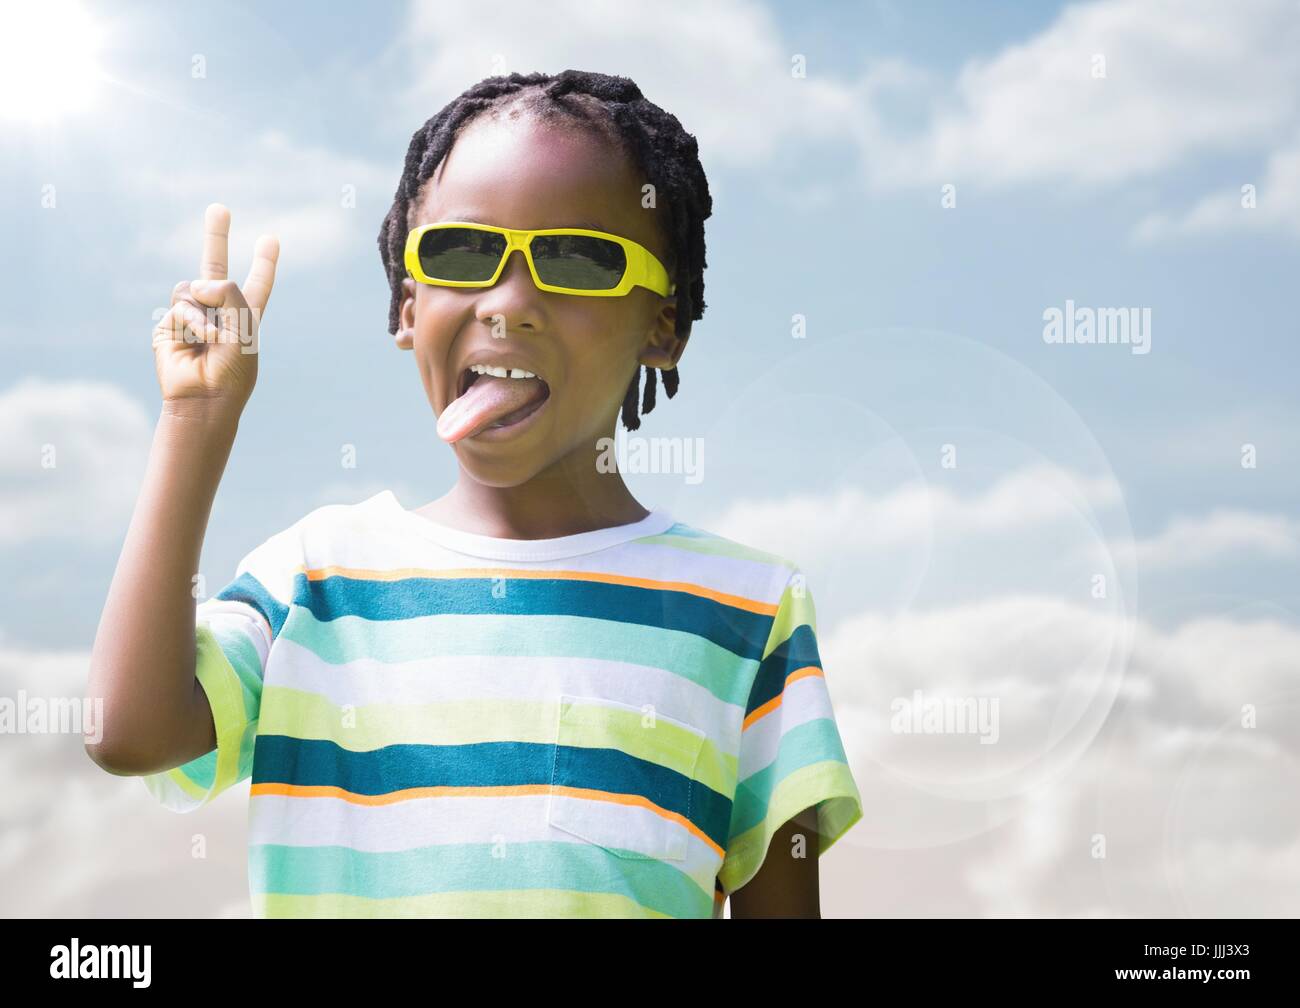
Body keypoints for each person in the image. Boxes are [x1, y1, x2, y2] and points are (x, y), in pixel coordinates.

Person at [85, 69, 862, 919]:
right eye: (462, 252)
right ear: (407, 306)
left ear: (663, 326)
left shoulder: (751, 612)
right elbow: (130, 731)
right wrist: (196, 420)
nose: (509, 304)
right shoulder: (315, 579)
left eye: (579, 258)